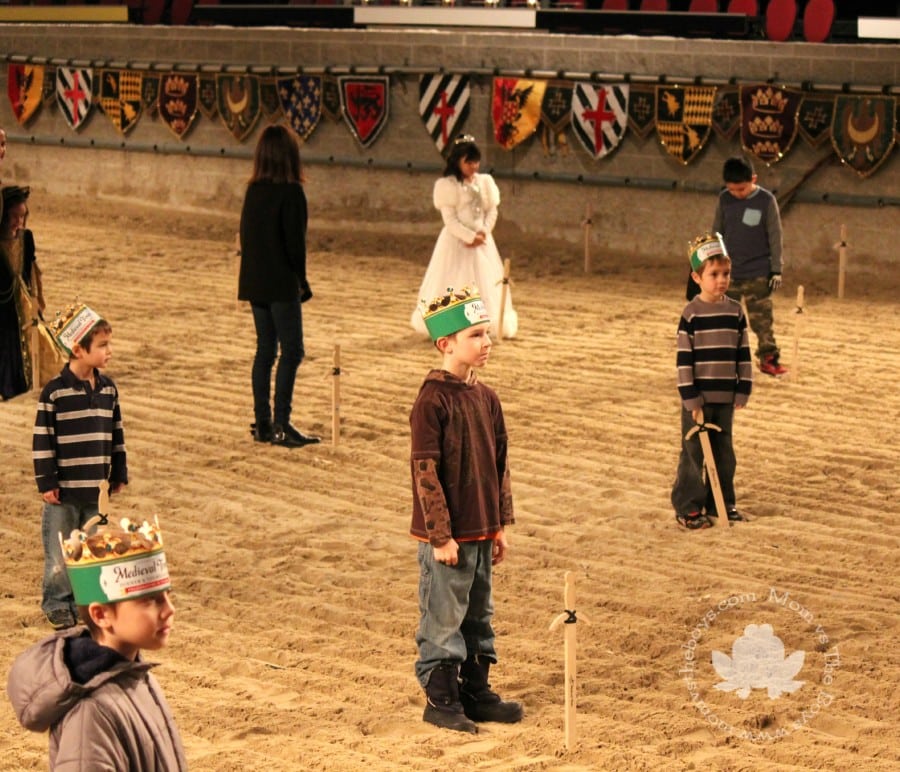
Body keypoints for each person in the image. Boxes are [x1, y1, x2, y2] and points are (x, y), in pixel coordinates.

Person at [410, 285, 523, 733]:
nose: (486, 342)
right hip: (449, 538)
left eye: (487, 333)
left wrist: (499, 525)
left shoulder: (487, 398)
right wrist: (440, 536)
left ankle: (476, 692)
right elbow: (425, 472)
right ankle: (441, 700)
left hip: (480, 530)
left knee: (479, 614)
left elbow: (500, 464)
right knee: (443, 615)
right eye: (476, 334)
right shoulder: (432, 401)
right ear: (447, 343)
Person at [7, 514, 187, 770]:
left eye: (167, 596)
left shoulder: (137, 676)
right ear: (101, 615)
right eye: (150, 600)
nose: (169, 610)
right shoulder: (90, 716)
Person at [34, 302, 128, 629]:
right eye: (102, 346)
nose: (109, 352)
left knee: (92, 548)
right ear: (78, 349)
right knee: (61, 552)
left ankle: (86, 603)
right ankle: (58, 604)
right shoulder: (54, 393)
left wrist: (118, 474)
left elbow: (117, 434)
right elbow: (43, 439)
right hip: (64, 492)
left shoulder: (108, 390)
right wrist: (47, 482)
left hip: (96, 489)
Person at [239, 124, 320, 448]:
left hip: (254, 281)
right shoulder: (292, 193)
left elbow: (246, 236)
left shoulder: (253, 190)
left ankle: (262, 423)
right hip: (280, 282)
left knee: (265, 351)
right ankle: (282, 424)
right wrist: (302, 281)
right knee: (292, 351)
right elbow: (295, 245)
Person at [672, 234, 753, 530]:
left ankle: (722, 502)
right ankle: (688, 507)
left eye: (726, 274)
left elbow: (743, 352)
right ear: (697, 277)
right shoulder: (691, 313)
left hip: (725, 397)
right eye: (714, 274)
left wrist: (743, 386)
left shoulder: (735, 312)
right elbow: (684, 360)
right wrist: (690, 398)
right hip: (698, 399)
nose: (721, 280)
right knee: (693, 454)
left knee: (724, 453)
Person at [410, 135, 517, 341]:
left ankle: (483, 324)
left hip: (482, 242)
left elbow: (491, 211)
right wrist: (468, 237)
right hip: (455, 242)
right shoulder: (447, 185)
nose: (473, 166)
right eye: (469, 162)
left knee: (482, 283)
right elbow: (449, 220)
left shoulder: (485, 182)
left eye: (476, 161)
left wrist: (484, 232)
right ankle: (451, 324)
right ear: (457, 161)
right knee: (454, 281)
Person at [712, 155, 787, 377]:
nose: (737, 194)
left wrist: (776, 269)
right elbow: (716, 232)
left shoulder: (766, 201)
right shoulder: (724, 199)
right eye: (732, 190)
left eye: (742, 189)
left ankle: (768, 359)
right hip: (729, 273)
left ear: (753, 179)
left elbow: (775, 236)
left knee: (762, 320)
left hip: (758, 273)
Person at [0, 185, 58, 400]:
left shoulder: (27, 238)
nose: (19, 222)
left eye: (22, 216)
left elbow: (32, 272)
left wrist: (37, 300)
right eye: (14, 217)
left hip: (23, 303)